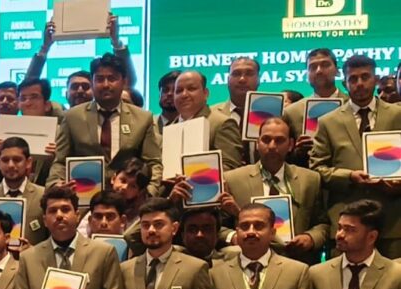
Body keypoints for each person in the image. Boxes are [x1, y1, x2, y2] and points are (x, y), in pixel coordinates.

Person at [310, 55, 401, 258]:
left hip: (393, 222)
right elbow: (317, 169)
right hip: (346, 223)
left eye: (365, 77)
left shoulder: (398, 115)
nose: (359, 83)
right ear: (344, 83)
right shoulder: (328, 122)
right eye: (353, 79)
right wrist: (349, 176)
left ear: (375, 79)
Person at [49, 54, 162, 197]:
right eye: (99, 79)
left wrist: (149, 193)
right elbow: (60, 162)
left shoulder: (142, 118)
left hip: (129, 199)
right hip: (84, 198)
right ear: (92, 82)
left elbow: (153, 163)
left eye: (112, 78)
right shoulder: (72, 117)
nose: (106, 84)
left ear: (124, 82)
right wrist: (56, 185)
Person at [224, 117, 326, 265]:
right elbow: (218, 227)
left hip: (296, 262)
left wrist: (310, 238)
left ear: (290, 145)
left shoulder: (310, 180)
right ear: (257, 143)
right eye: (266, 140)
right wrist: (234, 237)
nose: (272, 146)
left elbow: (323, 224)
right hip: (247, 261)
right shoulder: (233, 179)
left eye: (279, 140)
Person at [26, 13, 137, 101]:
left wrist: (116, 41)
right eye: (74, 87)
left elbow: (127, 83)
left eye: (85, 86)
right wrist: (45, 47)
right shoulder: (59, 115)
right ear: (66, 93)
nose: (80, 91)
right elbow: (28, 87)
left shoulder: (105, 115)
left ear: (95, 89)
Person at [0, 137, 48, 247]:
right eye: (5, 160)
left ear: (28, 162)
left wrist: (33, 253)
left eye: (17, 160)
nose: (11, 165)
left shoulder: (44, 196)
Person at [169, 71, 243, 172]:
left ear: (205, 93)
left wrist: (192, 175)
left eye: (191, 89)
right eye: (179, 91)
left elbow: (230, 167)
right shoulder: (169, 128)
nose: (184, 94)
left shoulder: (222, 123)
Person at [212, 57, 261, 128]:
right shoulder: (210, 115)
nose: (242, 79)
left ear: (259, 79)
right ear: (228, 80)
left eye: (249, 74)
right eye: (236, 74)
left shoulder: (272, 115)